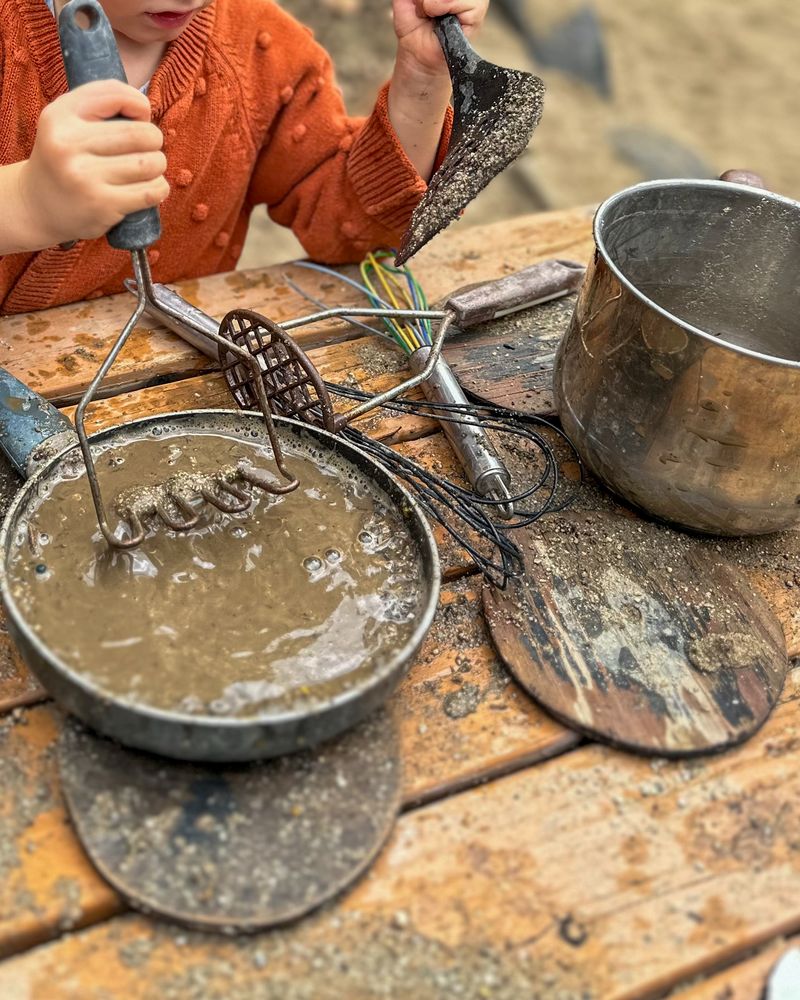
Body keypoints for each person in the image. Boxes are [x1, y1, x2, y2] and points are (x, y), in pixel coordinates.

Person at [0, 0, 488, 313]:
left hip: (156, 378)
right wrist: (26, 203)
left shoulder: (263, 56)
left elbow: (353, 229)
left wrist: (424, 78)